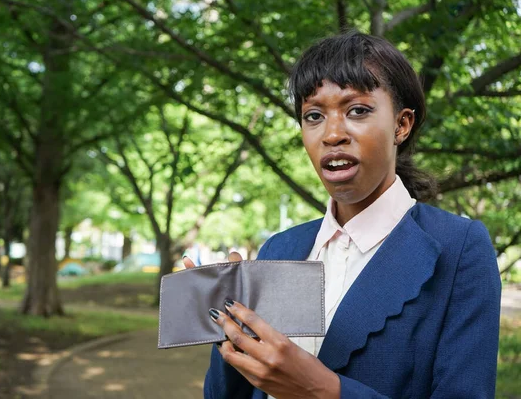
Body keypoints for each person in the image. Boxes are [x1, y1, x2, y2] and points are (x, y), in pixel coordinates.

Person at [183, 31, 501, 398]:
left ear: (401, 125)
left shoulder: (459, 249)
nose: (332, 133)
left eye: (358, 111)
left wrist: (323, 390)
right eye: (314, 115)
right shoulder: (281, 247)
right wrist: (229, 332)